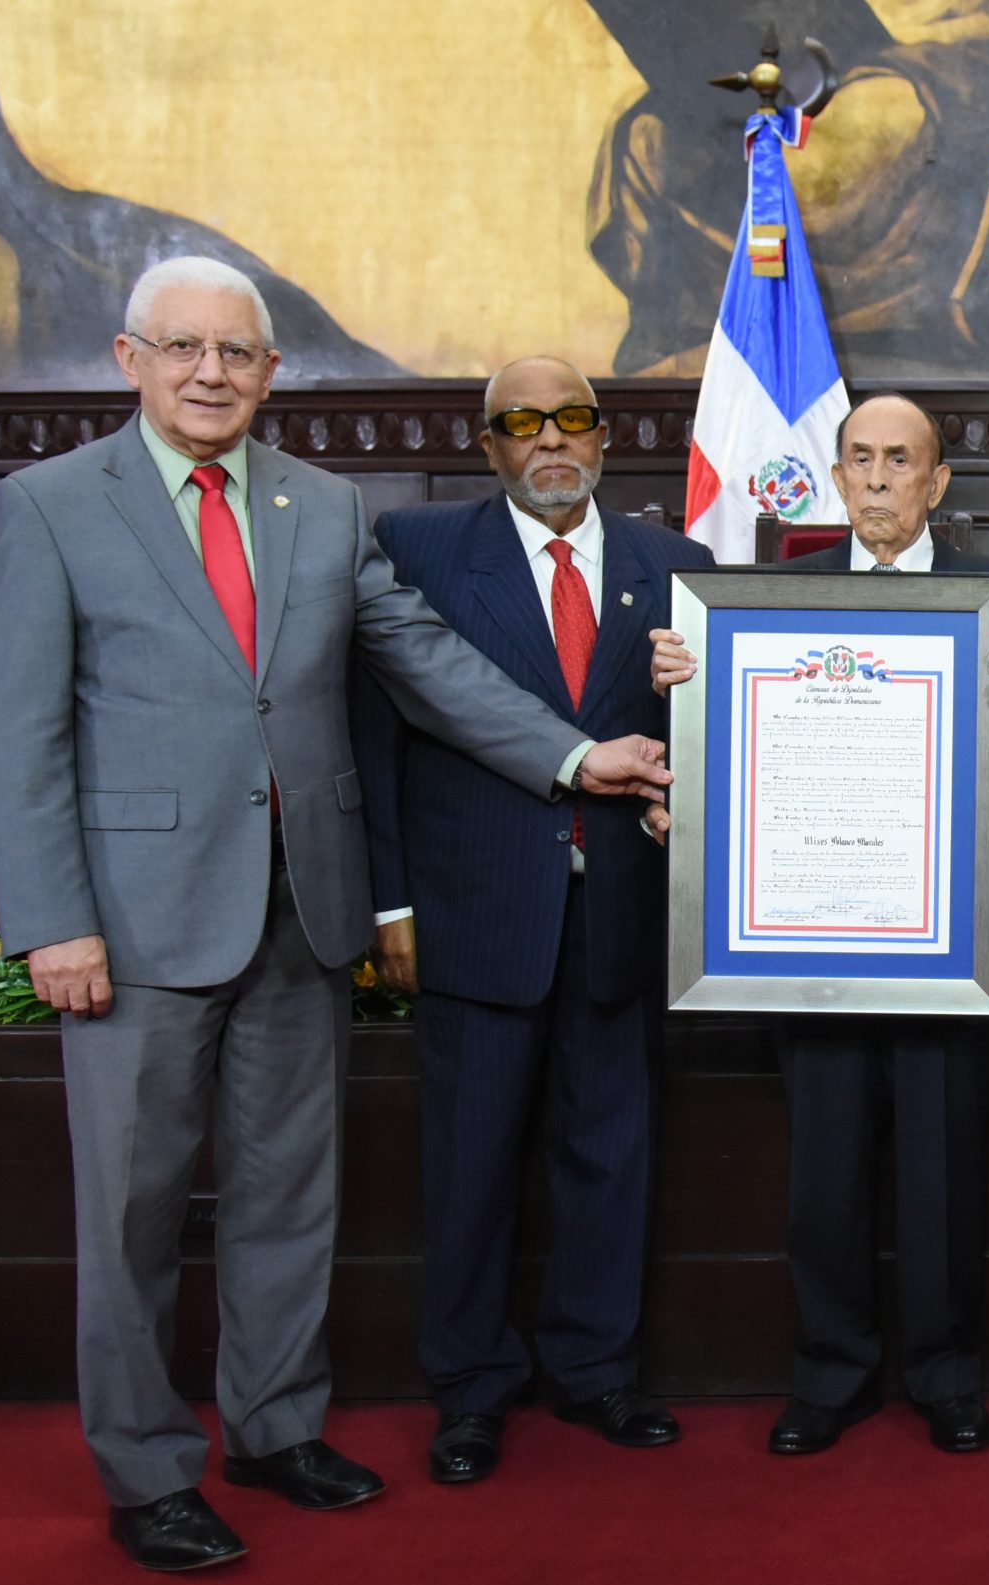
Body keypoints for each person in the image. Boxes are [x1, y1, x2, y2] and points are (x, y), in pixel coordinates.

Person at [0, 258, 672, 1574]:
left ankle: (275, 1429)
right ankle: (143, 1468)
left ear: (270, 370)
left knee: (289, 1198)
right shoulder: (52, 504)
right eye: (182, 347)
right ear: (131, 358)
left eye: (236, 352)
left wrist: (579, 760)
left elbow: (431, 666)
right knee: (131, 1216)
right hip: (130, 922)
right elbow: (14, 735)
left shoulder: (324, 505)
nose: (210, 373)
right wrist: (50, 920)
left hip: (304, 911)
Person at [348, 357, 714, 1486]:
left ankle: (597, 1370)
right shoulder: (415, 551)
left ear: (606, 438)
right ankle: (469, 1390)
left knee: (612, 1153)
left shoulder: (679, 566)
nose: (549, 441)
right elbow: (375, 732)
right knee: (470, 1165)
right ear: (488, 442)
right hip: (471, 911)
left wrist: (691, 743)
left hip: (621, 909)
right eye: (521, 423)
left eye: (571, 421)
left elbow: (717, 749)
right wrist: (391, 900)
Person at [653, 393, 989, 1458]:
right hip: (811, 942)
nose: (876, 479)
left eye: (899, 460)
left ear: (938, 481)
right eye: (859, 459)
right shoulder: (762, 605)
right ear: (835, 474)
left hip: (947, 948)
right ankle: (831, 1372)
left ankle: (946, 1375)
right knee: (822, 1178)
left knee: (944, 1178)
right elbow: (717, 768)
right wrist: (686, 689)